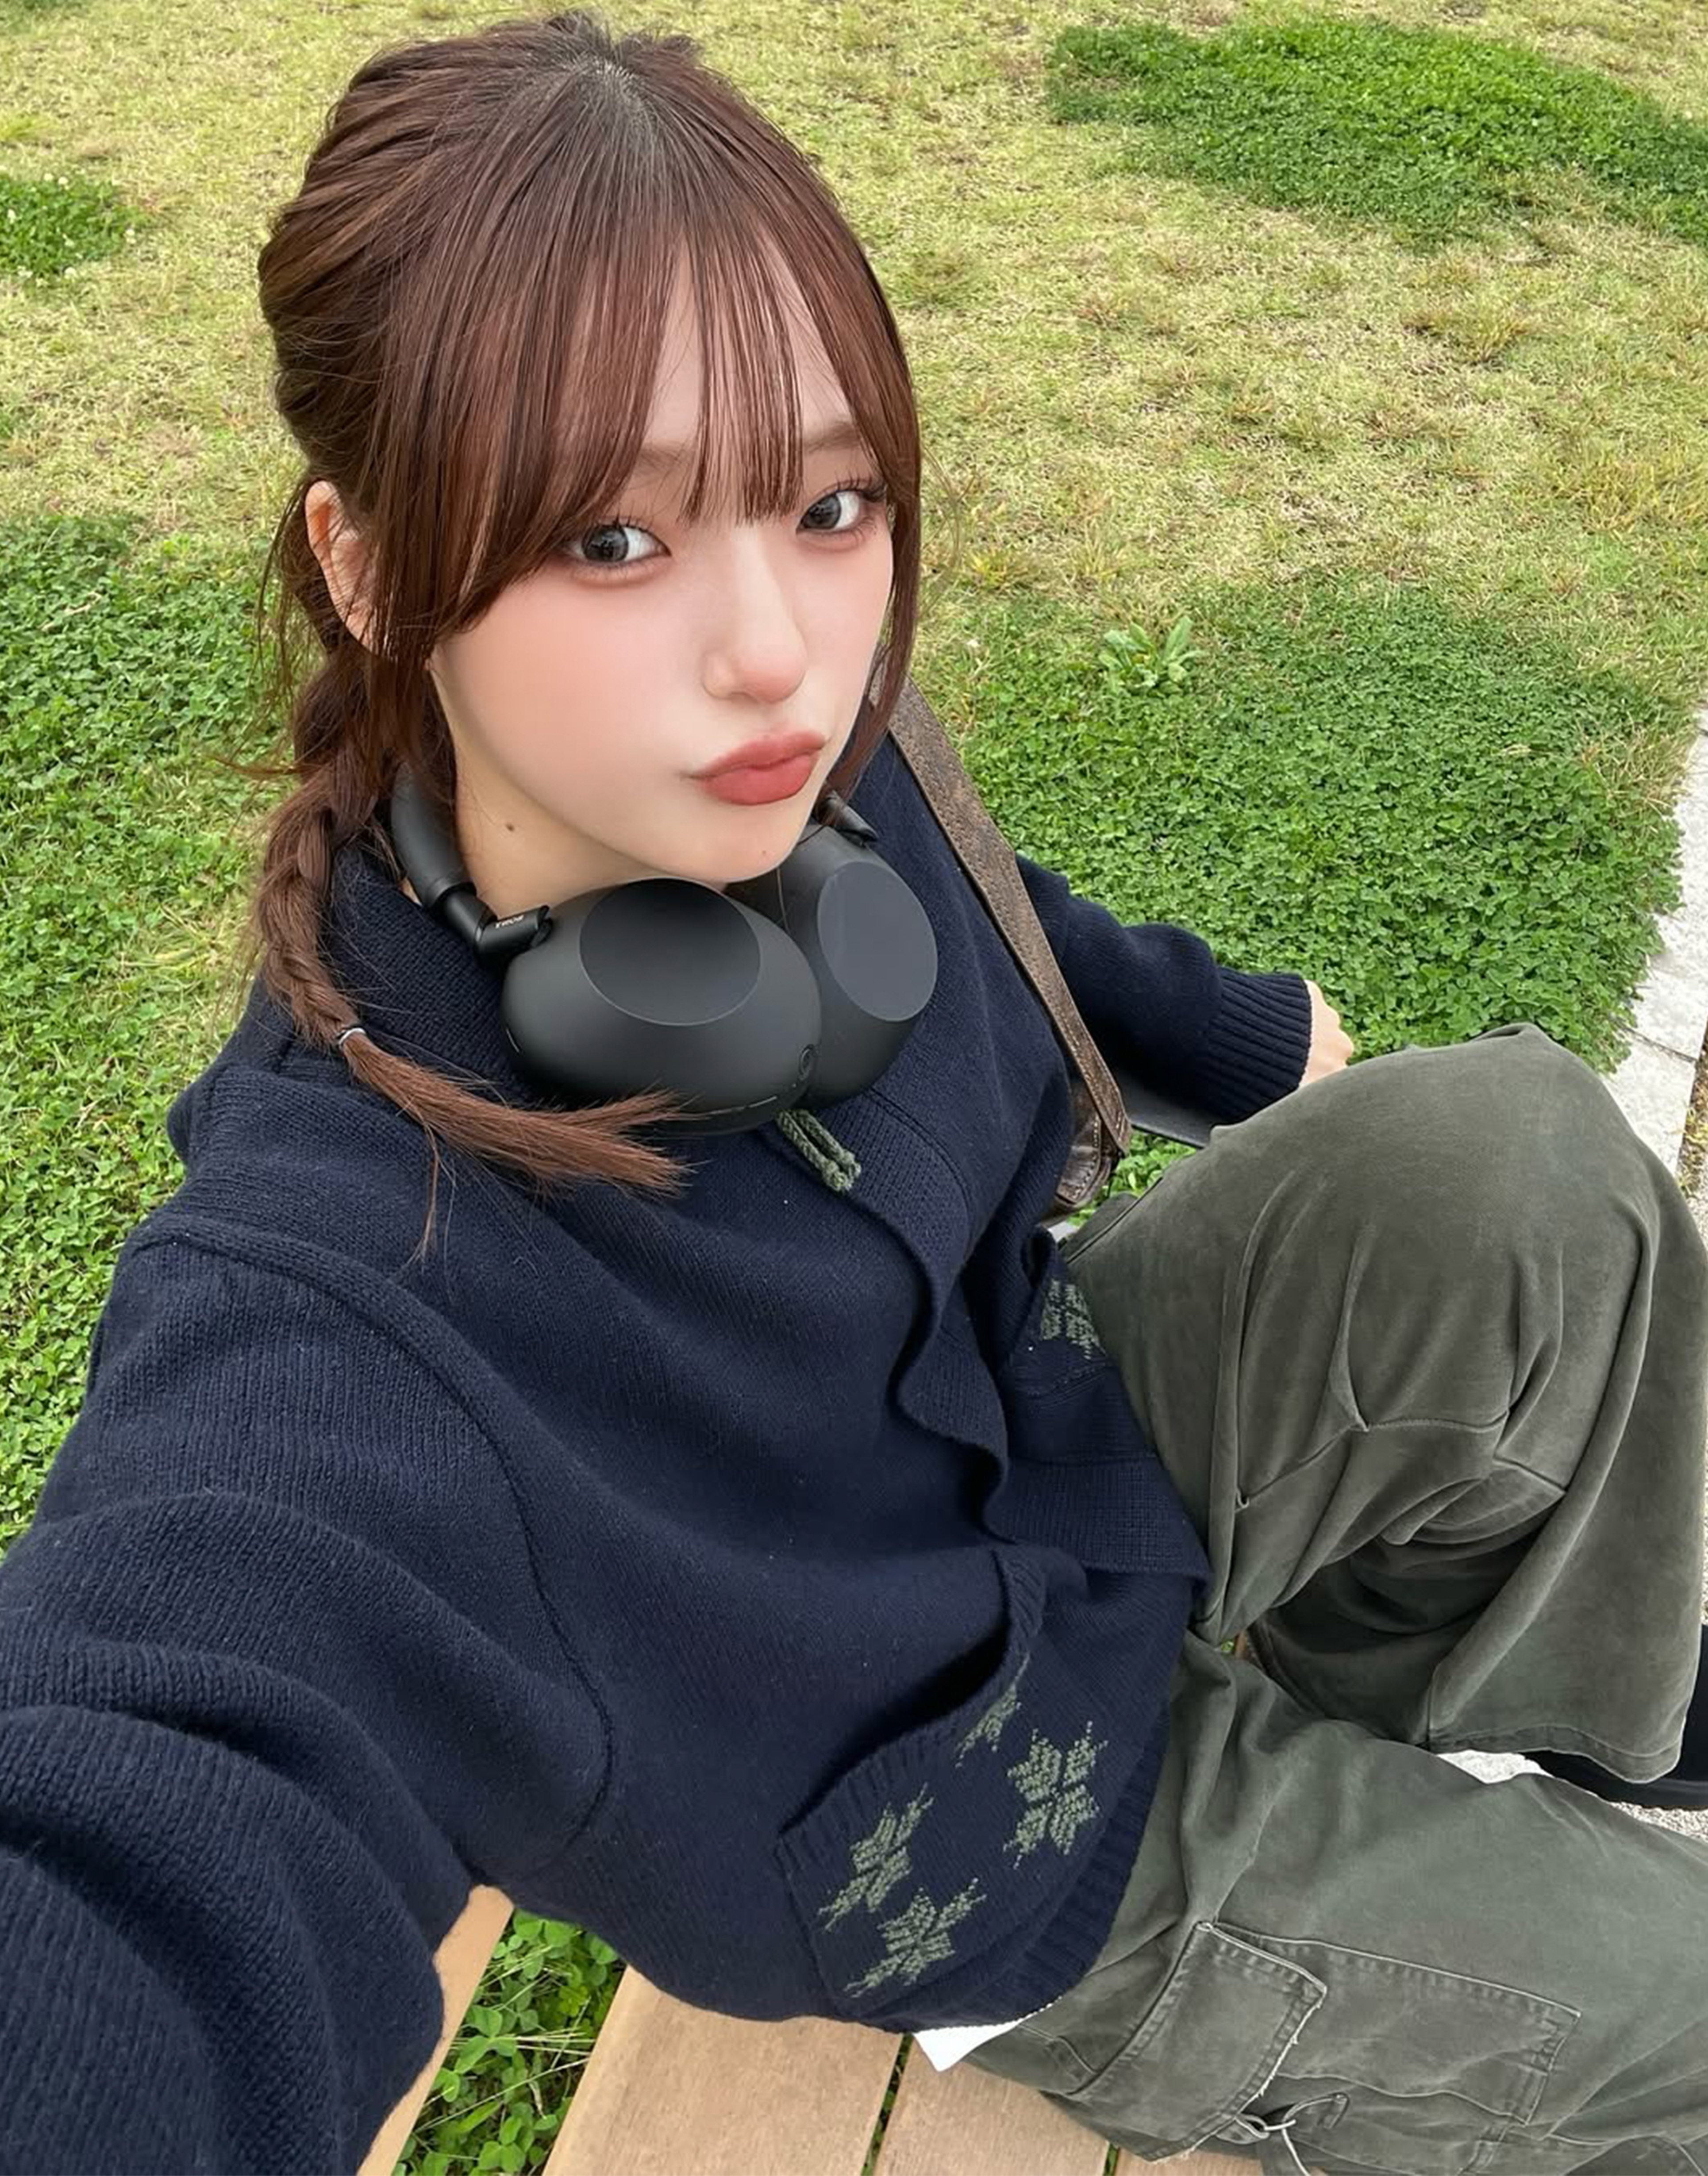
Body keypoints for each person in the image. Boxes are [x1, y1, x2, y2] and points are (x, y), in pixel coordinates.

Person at [3, 10, 1706, 2174]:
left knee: (1520, 1151)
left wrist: (1247, 1042)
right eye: (606, 541)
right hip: (970, 1834)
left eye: (825, 503)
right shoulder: (333, 1309)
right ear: (363, 564)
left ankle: (1589, 1716)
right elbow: (154, 1818)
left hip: (1075, 1471)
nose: (777, 654)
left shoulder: (789, 765)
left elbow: (988, 905)